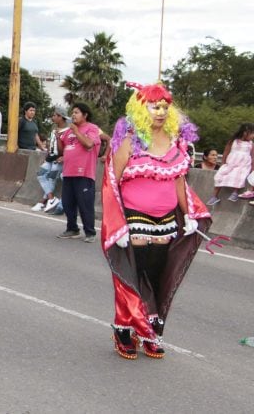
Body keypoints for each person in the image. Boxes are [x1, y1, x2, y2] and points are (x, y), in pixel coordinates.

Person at [101, 82, 210, 360]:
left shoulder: (176, 142)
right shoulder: (129, 142)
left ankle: (147, 328)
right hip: (134, 215)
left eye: (164, 106)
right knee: (131, 274)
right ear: (141, 109)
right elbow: (111, 182)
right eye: (154, 106)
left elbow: (178, 183)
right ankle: (125, 327)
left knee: (155, 274)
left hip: (165, 219)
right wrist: (117, 223)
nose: (160, 112)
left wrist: (190, 215)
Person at [56, 102, 101, 242]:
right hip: (69, 172)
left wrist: (76, 131)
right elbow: (62, 151)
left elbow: (88, 144)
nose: (73, 115)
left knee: (85, 204)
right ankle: (72, 228)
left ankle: (90, 232)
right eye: (72, 112)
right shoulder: (68, 132)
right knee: (68, 203)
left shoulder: (92, 128)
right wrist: (58, 138)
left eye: (76, 112)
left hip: (84, 173)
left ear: (85, 115)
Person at [31, 106, 69, 212]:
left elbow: (65, 148)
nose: (53, 117)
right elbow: (51, 145)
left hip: (58, 158)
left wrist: (64, 156)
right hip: (50, 157)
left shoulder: (67, 131)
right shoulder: (54, 129)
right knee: (41, 174)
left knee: (52, 178)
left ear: (60, 117)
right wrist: (46, 156)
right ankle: (51, 199)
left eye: (54, 115)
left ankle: (43, 201)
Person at [207, 123, 254, 204]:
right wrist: (223, 163)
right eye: (252, 133)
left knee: (239, 175)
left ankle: (235, 192)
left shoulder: (251, 144)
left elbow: (252, 156)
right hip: (231, 163)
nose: (253, 135)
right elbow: (226, 152)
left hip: (243, 165)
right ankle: (214, 196)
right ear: (245, 133)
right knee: (220, 174)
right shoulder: (233, 141)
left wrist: (252, 168)